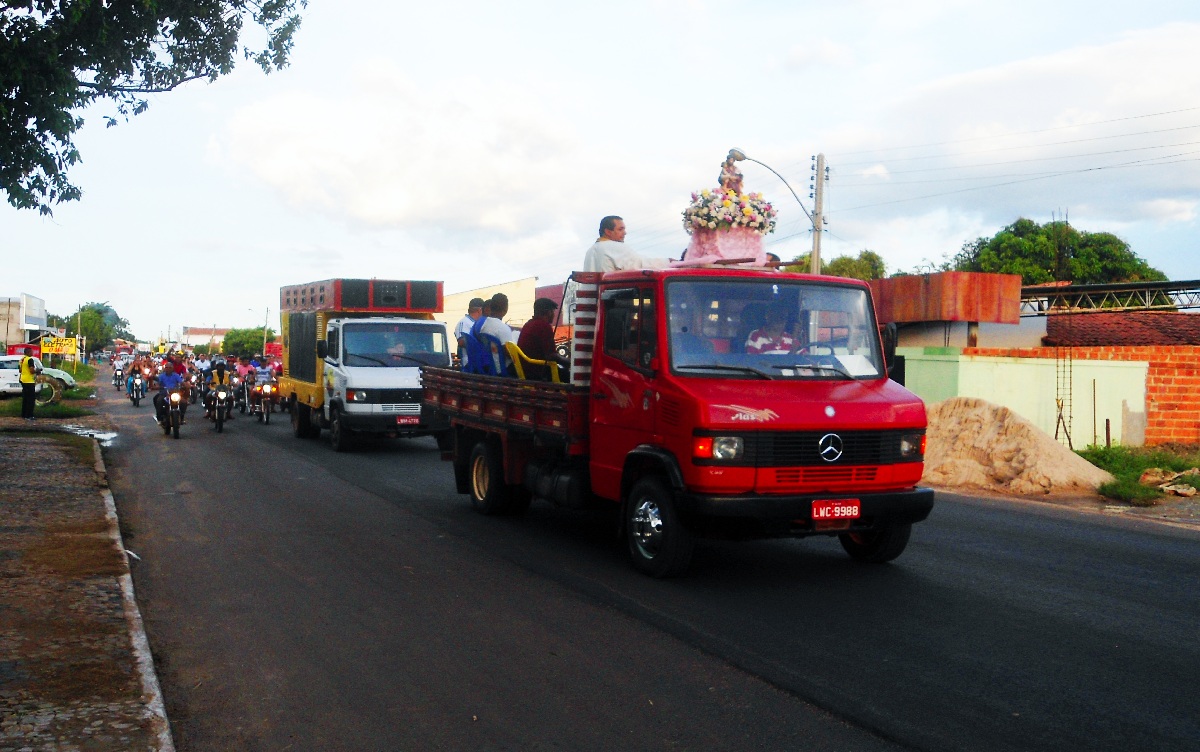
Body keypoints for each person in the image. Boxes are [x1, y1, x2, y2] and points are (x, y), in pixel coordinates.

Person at [582, 216, 674, 273]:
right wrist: (668, 262)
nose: (625, 233)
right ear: (608, 232)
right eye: (620, 229)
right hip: (612, 300)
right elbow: (640, 263)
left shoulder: (590, 251)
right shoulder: (614, 247)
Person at [517, 298, 568, 380]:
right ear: (548, 312)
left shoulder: (528, 324)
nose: (554, 315)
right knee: (570, 377)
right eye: (552, 311)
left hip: (526, 371)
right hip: (538, 373)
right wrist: (569, 363)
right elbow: (551, 356)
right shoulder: (544, 326)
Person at [474, 293, 515, 374]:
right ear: (505, 309)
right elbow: (510, 355)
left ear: (491, 307)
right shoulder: (503, 328)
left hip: (489, 367)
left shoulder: (484, 325)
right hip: (502, 370)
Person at [454, 298, 485, 366]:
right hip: (468, 363)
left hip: (480, 362)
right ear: (480, 310)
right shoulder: (464, 322)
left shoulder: (479, 323)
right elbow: (461, 342)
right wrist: (480, 344)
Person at [18, 347, 41, 421]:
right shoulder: (29, 360)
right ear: (28, 352)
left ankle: (24, 414)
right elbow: (31, 371)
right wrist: (37, 370)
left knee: (25, 398)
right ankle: (29, 415)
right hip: (29, 381)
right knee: (31, 399)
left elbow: (20, 370)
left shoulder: (22, 359)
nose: (32, 353)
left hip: (22, 379)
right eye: (31, 352)